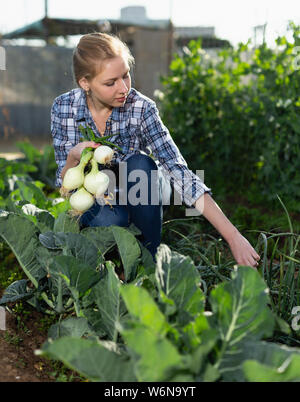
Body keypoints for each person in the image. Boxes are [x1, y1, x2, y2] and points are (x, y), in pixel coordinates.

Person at [51, 32, 260, 268]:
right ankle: (110, 267)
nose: (123, 88)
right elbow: (64, 188)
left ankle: (149, 263)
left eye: (126, 76)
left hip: (141, 192)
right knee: (113, 217)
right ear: (85, 83)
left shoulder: (141, 108)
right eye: (111, 82)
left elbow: (179, 172)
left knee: (141, 163)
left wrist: (233, 236)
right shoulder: (64, 108)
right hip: (103, 199)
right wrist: (73, 157)